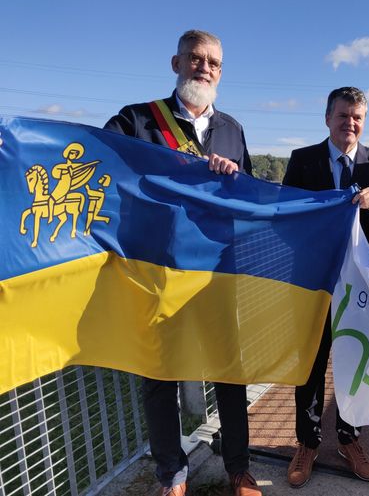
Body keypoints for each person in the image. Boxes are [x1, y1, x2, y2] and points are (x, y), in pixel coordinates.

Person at [104, 30, 259, 496]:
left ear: (221, 71)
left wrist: (233, 179)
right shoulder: (137, 120)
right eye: (195, 58)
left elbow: (248, 194)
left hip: (216, 268)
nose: (203, 67)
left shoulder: (232, 129)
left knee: (229, 371)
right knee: (160, 374)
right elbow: (98, 161)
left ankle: (238, 466)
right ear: (176, 63)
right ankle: (172, 474)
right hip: (158, 269)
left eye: (213, 62)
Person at [282, 86, 369, 488]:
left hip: (360, 286)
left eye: (357, 117)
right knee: (311, 368)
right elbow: (286, 218)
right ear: (327, 117)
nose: (350, 123)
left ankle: (350, 439)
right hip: (315, 282)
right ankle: (308, 443)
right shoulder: (302, 161)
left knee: (355, 360)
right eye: (343, 115)